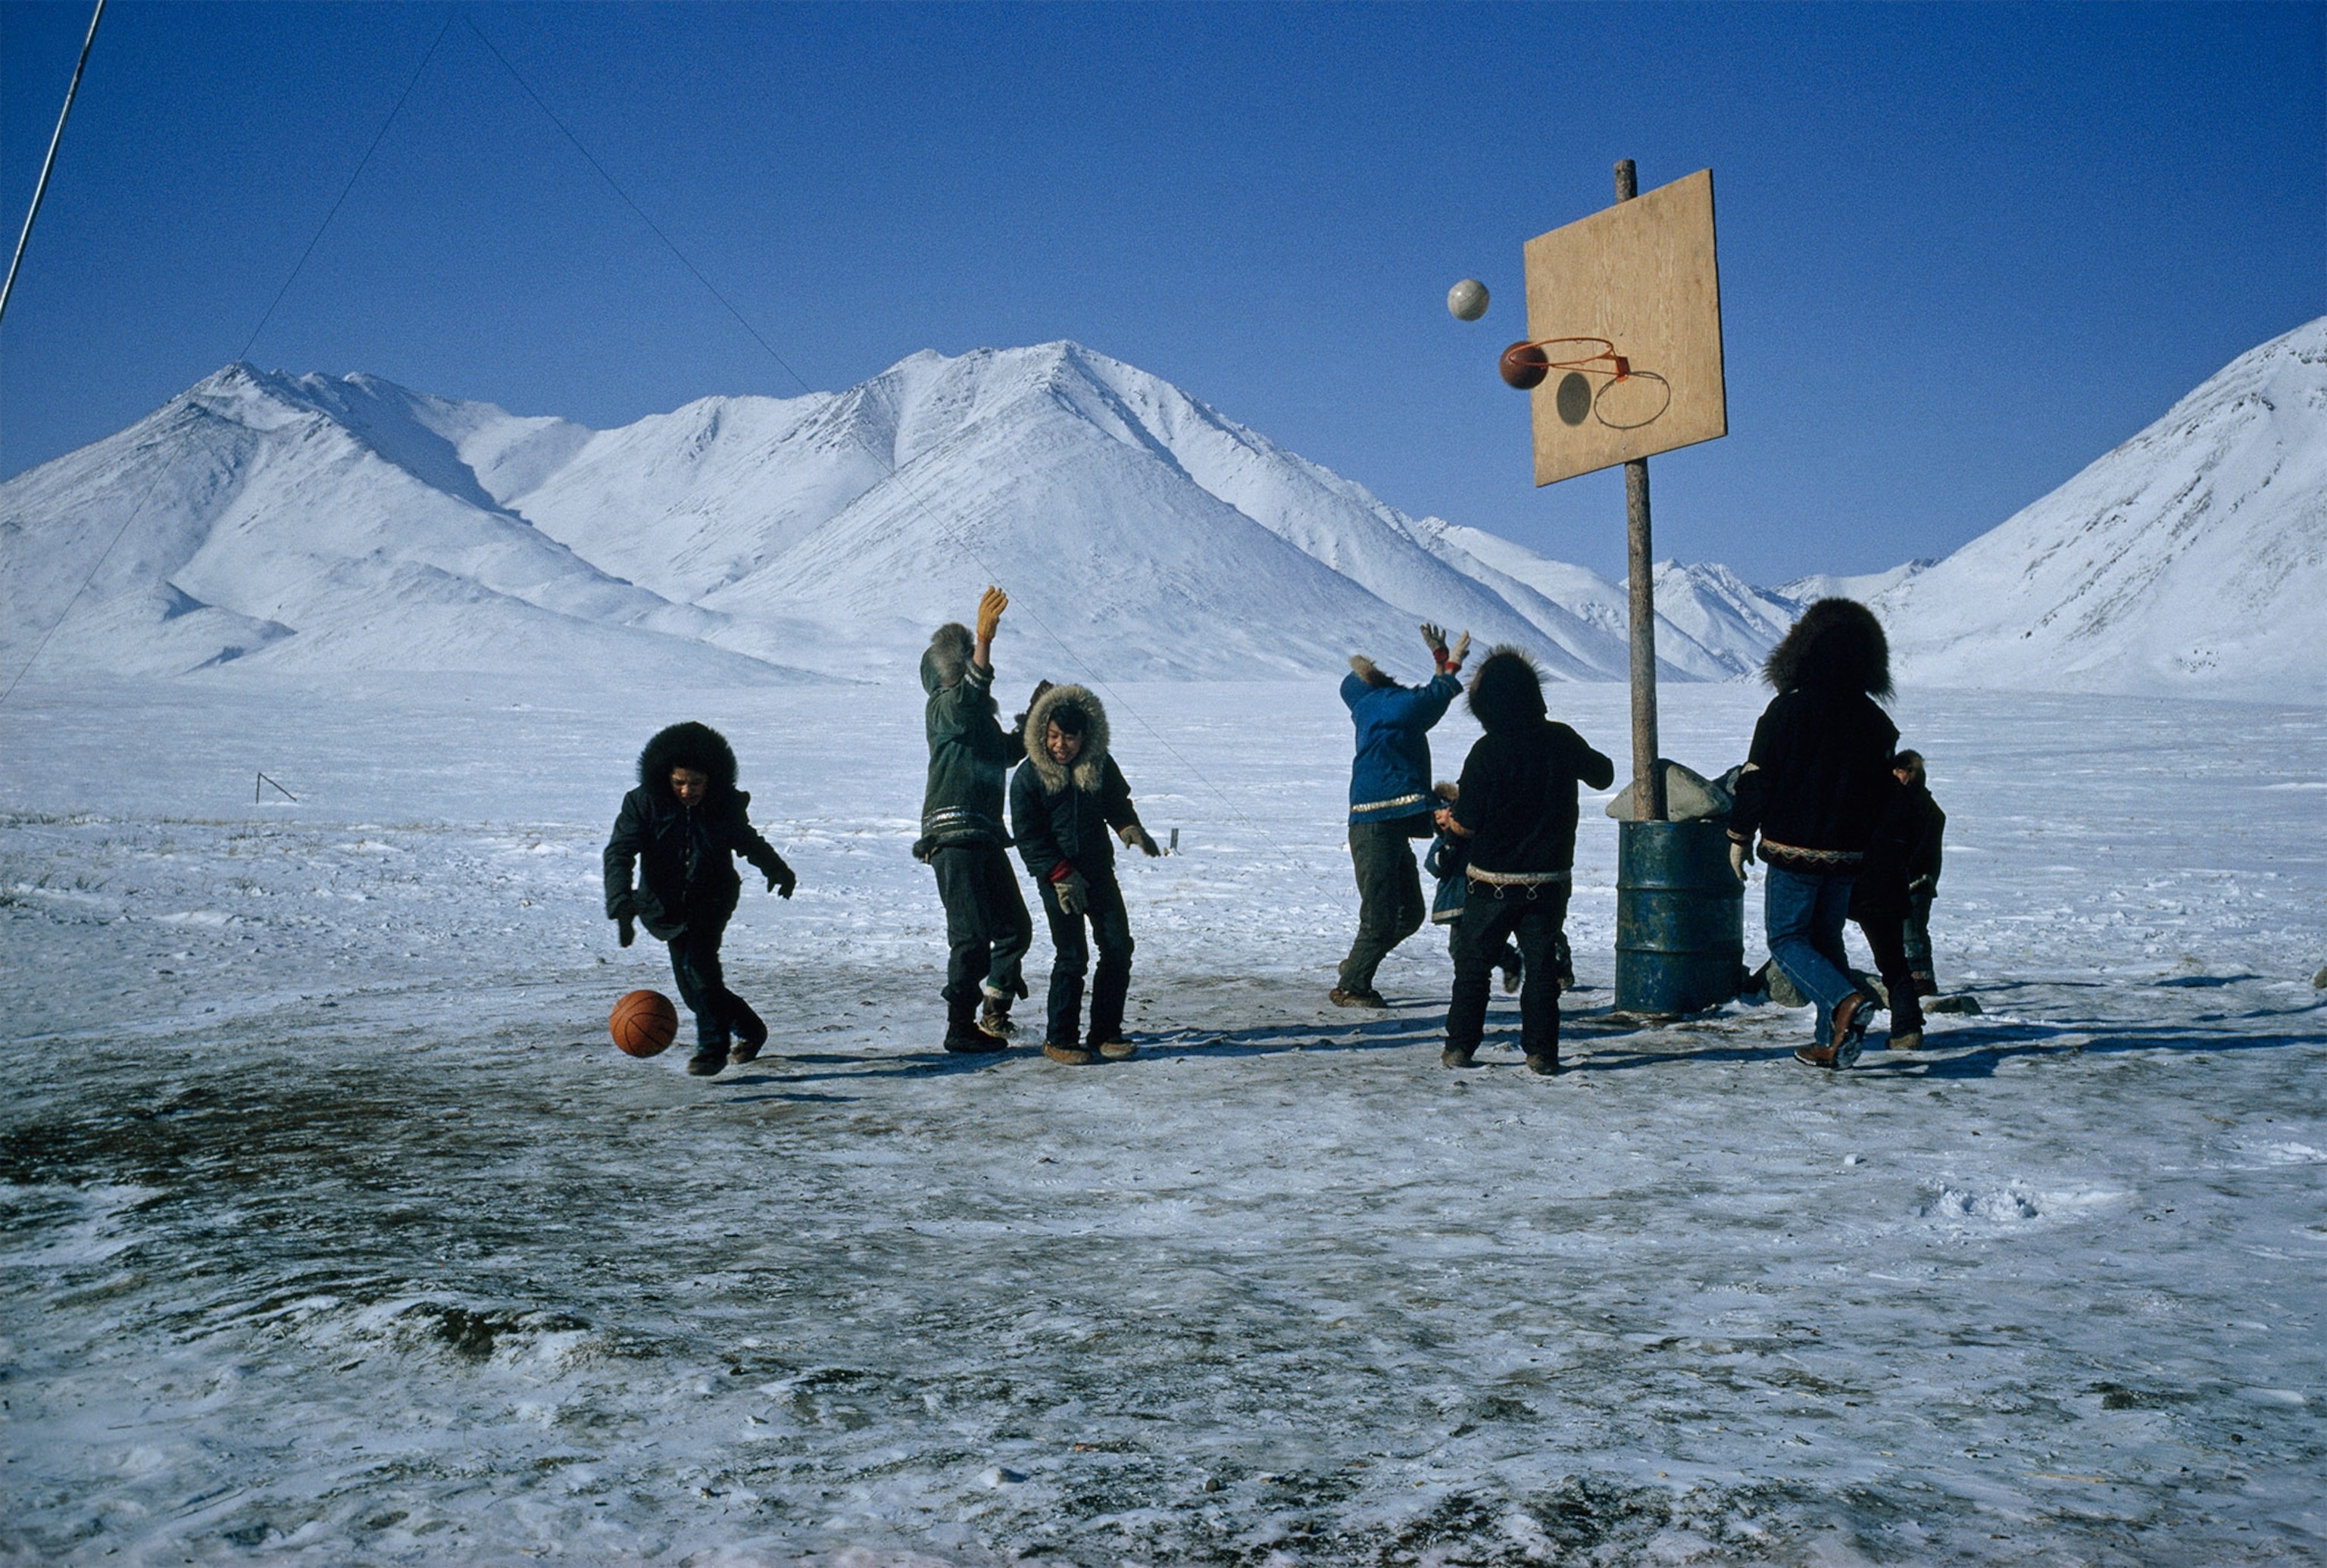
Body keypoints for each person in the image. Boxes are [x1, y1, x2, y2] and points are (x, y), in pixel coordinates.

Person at [1727, 598, 1900, 1070]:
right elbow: (1885, 796)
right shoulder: (1876, 721)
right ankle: (1832, 1042)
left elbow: (1758, 777)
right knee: (1827, 940)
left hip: (1794, 850)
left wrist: (1739, 835)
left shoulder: (1786, 711)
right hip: (1848, 855)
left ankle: (1845, 1002)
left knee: (1786, 940)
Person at [1437, 647, 1613, 1075]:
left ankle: (1460, 1047)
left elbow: (1468, 823)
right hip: (1549, 880)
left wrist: (1448, 822)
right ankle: (1541, 1054)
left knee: (1474, 967)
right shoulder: (1562, 739)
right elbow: (1603, 774)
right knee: (1541, 971)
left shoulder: (1486, 751)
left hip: (1491, 881)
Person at [604, 721, 795, 1077]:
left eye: (696, 783)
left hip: (713, 898)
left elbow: (747, 841)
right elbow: (619, 853)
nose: (687, 791)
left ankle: (712, 1048)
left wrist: (778, 870)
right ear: (665, 778)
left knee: (700, 967)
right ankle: (751, 1029)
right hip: (665, 906)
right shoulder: (642, 804)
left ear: (713, 780)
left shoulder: (722, 806)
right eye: (679, 782)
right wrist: (622, 904)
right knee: (694, 991)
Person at [1010, 683, 1163, 1065]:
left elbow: (1116, 802)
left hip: (1098, 872)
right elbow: (1028, 837)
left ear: (1085, 737)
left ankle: (1105, 1032)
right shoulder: (1028, 777)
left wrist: (1130, 828)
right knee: (1072, 956)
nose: (1061, 745)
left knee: (1117, 947)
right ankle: (1060, 1038)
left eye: (1070, 738)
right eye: (1054, 736)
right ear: (1043, 733)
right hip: (1058, 880)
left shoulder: (1100, 765)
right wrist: (1060, 874)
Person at [914, 587, 1034, 1054]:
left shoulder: (977, 722)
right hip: (954, 837)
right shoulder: (945, 708)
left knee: (1013, 929)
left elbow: (1005, 753)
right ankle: (958, 1027)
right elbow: (970, 694)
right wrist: (984, 640)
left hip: (982, 836)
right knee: (970, 938)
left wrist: (1031, 722)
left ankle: (995, 1007)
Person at [1332, 623, 1470, 1008]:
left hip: (1386, 826)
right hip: (1376, 827)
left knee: (1408, 914)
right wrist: (1449, 664)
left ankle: (1359, 963)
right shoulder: (1379, 706)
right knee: (1380, 917)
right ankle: (1352, 986)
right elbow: (1423, 702)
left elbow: (1423, 702)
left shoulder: (1379, 712)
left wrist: (1441, 661)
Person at [1846, 751, 1935, 1049]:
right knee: (1895, 961)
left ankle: (1838, 1023)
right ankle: (1907, 1027)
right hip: (1893, 886)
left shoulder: (1874, 797)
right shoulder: (1917, 803)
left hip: (1871, 884)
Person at [1423, 781, 1523, 995]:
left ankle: (1479, 981)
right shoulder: (1442, 844)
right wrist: (1447, 850)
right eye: (1435, 813)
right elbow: (1434, 866)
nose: (1440, 817)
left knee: (1482, 942)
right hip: (1457, 903)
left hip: (1482, 897)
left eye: (1444, 809)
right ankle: (1477, 980)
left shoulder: (1475, 836)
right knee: (1459, 948)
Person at [1892, 751, 1946, 998]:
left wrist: (1911, 869)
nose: (1899, 777)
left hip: (1918, 878)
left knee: (1913, 931)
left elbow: (1924, 847)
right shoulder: (1895, 801)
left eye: (1903, 772)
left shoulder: (1924, 807)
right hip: (1898, 876)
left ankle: (1922, 979)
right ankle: (1904, 978)